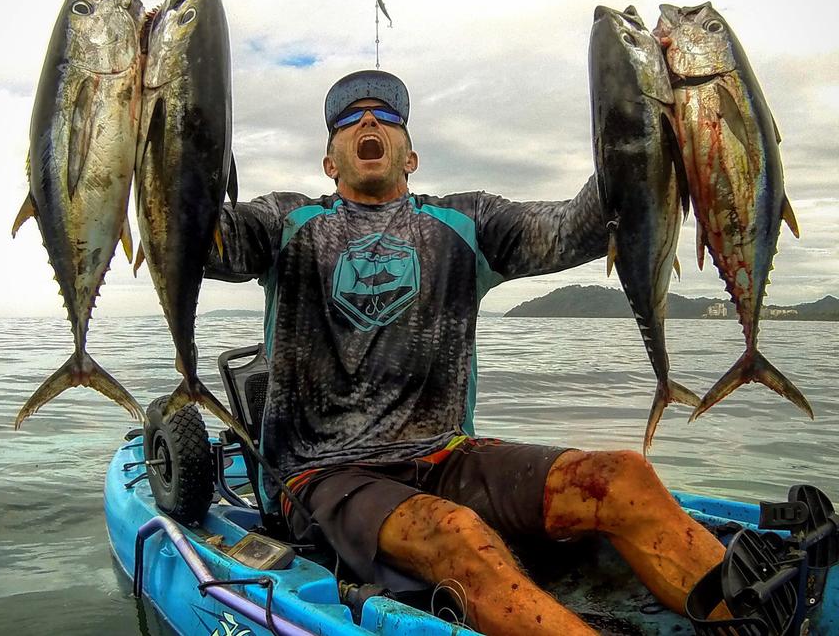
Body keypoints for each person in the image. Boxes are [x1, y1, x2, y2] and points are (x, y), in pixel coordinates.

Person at [206, 70, 727, 635]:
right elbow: (203, 238)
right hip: (318, 478)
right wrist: (163, 142)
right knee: (457, 534)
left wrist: (648, 131)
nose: (369, 122)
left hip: (446, 455)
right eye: (348, 120)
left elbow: (582, 226)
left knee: (623, 478)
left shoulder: (466, 223)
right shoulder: (285, 223)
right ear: (330, 161)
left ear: (411, 155)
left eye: (387, 115)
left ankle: (744, 621)